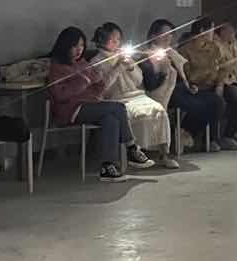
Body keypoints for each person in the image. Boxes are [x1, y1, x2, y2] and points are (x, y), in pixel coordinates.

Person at [46, 27, 155, 178]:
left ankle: (108, 167)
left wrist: (100, 81)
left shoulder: (82, 63)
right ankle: (131, 148)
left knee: (111, 120)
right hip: (70, 110)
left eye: (82, 45)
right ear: (65, 46)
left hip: (91, 105)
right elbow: (60, 95)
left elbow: (99, 88)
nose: (79, 50)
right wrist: (83, 83)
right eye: (75, 46)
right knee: (118, 108)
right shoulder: (57, 67)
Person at [90, 22, 178, 165]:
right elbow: (103, 88)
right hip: (117, 99)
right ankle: (134, 152)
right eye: (112, 39)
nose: (116, 43)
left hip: (137, 95)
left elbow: (139, 80)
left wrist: (131, 67)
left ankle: (164, 154)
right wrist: (118, 68)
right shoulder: (96, 62)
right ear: (102, 40)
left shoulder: (124, 56)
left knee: (159, 110)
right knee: (138, 115)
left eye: (118, 39)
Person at [140, 18, 215, 155]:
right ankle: (180, 135)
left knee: (216, 102)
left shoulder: (171, 52)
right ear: (153, 35)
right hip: (163, 92)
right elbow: (150, 85)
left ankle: (186, 132)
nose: (168, 37)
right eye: (165, 34)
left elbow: (183, 73)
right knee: (200, 105)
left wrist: (190, 84)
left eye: (171, 34)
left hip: (180, 89)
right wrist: (163, 72)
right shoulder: (146, 55)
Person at [181, 18, 237, 151]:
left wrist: (220, 84)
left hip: (216, 83)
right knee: (216, 102)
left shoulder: (214, 47)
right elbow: (189, 75)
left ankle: (228, 136)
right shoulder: (186, 50)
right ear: (202, 31)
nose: (213, 33)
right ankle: (209, 139)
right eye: (211, 29)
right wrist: (208, 71)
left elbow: (223, 68)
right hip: (198, 87)